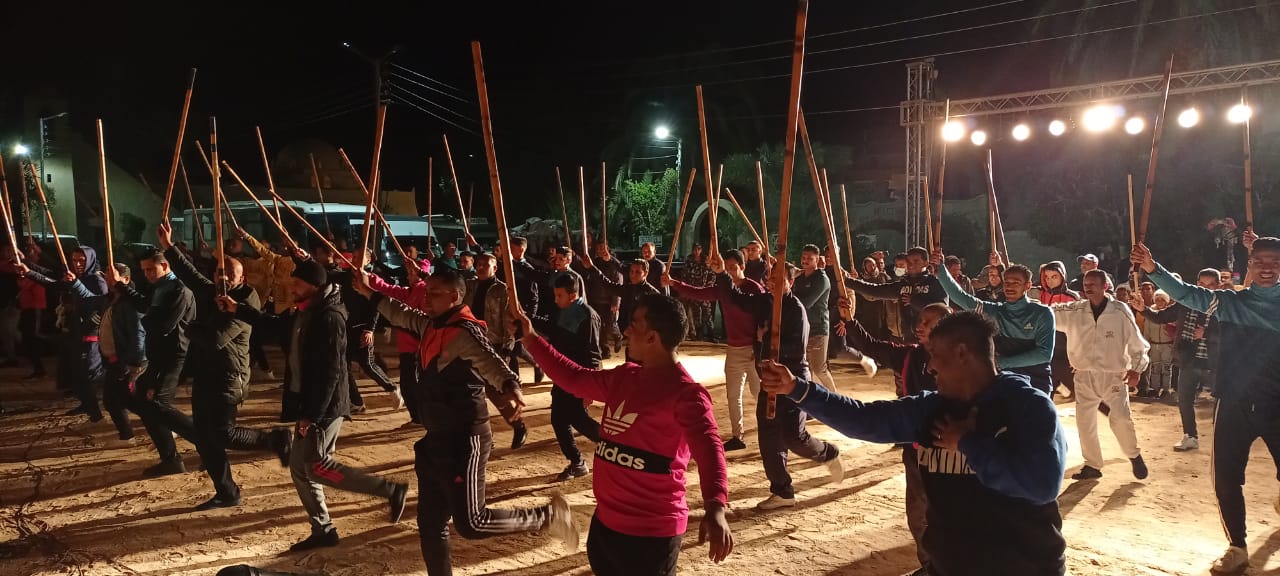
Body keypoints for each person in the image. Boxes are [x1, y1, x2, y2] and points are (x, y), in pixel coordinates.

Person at [761, 311, 1068, 575]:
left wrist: (968, 443)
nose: (930, 366)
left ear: (962, 353)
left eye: (934, 353)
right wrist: (796, 388)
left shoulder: (1027, 407)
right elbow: (865, 420)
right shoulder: (932, 408)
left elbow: (1042, 485)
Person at [353, 267, 577, 575]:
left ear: (455, 297)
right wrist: (369, 291)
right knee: (431, 525)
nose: (426, 299)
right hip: (436, 439)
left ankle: (548, 517)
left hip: (464, 440)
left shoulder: (464, 331)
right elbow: (399, 312)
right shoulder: (430, 324)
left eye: (434, 293)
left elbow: (491, 361)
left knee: (472, 523)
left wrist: (510, 386)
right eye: (427, 292)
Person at [519, 293, 732, 575]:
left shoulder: (687, 395)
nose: (626, 331)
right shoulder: (624, 377)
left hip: (651, 537)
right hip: (605, 526)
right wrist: (531, 339)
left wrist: (715, 506)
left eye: (634, 324)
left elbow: (710, 451)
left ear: (653, 338)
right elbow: (574, 378)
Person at [224, 259, 408, 551]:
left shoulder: (329, 318)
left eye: (297, 284)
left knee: (319, 468)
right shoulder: (307, 310)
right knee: (302, 468)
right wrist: (239, 309)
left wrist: (312, 416)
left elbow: (331, 373)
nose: (292, 289)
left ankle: (388, 490)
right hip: (313, 405)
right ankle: (323, 529)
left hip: (325, 408)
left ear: (315, 286)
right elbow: (276, 326)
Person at [1133, 236, 1280, 574]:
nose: (1267, 268)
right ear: (1249, 265)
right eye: (1260, 261)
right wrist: (1152, 268)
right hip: (1234, 403)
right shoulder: (1229, 303)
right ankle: (1237, 547)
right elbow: (1187, 294)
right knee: (1226, 479)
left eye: (1275, 262)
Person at [157, 223, 292, 510]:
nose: (225, 278)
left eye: (231, 274)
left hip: (229, 377)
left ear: (242, 277)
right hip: (205, 374)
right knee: (205, 438)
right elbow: (189, 274)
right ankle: (227, 492)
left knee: (223, 434)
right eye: (221, 273)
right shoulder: (212, 291)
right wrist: (168, 246)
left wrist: (189, 326)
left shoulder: (245, 301)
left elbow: (215, 339)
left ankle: (273, 439)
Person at [839, 301, 951, 573]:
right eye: (920, 320)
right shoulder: (910, 356)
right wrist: (850, 320)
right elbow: (872, 346)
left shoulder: (962, 358)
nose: (920, 326)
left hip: (953, 451)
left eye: (929, 322)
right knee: (917, 513)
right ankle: (930, 565)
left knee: (950, 512)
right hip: (917, 449)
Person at [726, 259, 844, 510]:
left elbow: (795, 350)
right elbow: (736, 299)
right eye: (770, 277)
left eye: (779, 279)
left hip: (792, 379)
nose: (772, 282)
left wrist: (765, 340)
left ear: (790, 282)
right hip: (769, 377)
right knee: (768, 435)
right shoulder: (765, 302)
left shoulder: (795, 309)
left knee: (794, 436)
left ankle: (827, 452)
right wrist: (721, 275)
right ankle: (782, 490)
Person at [1047, 270, 1149, 482]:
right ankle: (1093, 464)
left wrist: (1137, 369)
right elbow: (1048, 313)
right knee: (1085, 422)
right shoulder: (1075, 310)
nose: (1088, 287)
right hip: (1083, 374)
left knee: (1120, 418)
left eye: (1093, 283)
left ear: (1105, 286)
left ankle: (1133, 454)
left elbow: (1138, 344)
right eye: (1086, 283)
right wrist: (1023, 304)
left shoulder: (1119, 311)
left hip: (1114, 375)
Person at [664, 249, 759, 451]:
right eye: (727, 268)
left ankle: (770, 430)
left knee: (759, 392)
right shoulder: (723, 289)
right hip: (734, 349)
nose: (730, 272)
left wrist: (760, 347)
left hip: (754, 350)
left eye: (733, 267)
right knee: (733, 395)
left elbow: (764, 319)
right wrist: (674, 283)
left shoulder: (754, 288)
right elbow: (698, 293)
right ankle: (738, 435)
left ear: (742, 267)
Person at [933, 254, 1056, 394]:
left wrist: (1002, 362)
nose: (1009, 287)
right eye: (1007, 282)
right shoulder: (995, 311)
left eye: (1016, 283)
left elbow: (1044, 354)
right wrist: (941, 269)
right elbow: (961, 297)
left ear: (1027, 286)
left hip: (1036, 382)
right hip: (1005, 381)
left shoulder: (1042, 313)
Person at [124, 249, 198, 476]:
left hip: (174, 355)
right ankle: (170, 458)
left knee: (157, 404)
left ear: (165, 266)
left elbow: (163, 325)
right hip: (158, 355)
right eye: (144, 270)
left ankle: (205, 439)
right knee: (142, 398)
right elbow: (146, 307)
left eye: (151, 269)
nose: (147, 274)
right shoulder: (159, 287)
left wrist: (146, 320)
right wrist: (120, 286)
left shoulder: (179, 290)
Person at [1126, 269, 1216, 451]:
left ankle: (1222, 436)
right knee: (1184, 400)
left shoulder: (1224, 305)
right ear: (1197, 283)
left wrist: (1207, 333)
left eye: (1211, 285)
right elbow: (1162, 317)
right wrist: (1143, 309)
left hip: (1214, 362)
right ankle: (1190, 436)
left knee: (1221, 401)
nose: (1205, 288)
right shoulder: (1187, 301)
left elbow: (1233, 331)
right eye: (1202, 284)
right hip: (1189, 360)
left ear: (1218, 285)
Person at [19, 246, 108, 420]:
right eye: (74, 260)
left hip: (90, 334)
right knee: (77, 373)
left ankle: (106, 404)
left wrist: (75, 284)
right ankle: (89, 407)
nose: (78, 264)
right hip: (76, 331)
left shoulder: (98, 281)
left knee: (89, 374)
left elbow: (95, 302)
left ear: (90, 259)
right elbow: (53, 283)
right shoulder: (78, 278)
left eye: (82, 260)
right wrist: (29, 271)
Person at [532, 271, 602, 481]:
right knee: (559, 419)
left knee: (578, 419)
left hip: (579, 376)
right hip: (562, 375)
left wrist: (590, 388)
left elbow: (593, 354)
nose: (556, 300)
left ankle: (614, 447)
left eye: (559, 295)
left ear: (572, 295)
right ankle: (577, 461)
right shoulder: (562, 310)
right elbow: (551, 330)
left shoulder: (588, 316)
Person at [69, 262, 143, 441]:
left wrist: (134, 363)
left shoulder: (131, 303)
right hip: (113, 360)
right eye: (107, 277)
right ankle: (129, 434)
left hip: (125, 361)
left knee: (122, 401)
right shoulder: (108, 299)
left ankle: (157, 424)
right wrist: (74, 282)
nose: (109, 281)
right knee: (117, 401)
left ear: (126, 279)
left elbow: (138, 333)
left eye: (113, 277)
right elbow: (86, 295)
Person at [462, 252, 527, 448]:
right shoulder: (469, 286)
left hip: (494, 345)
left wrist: (507, 348)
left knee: (495, 392)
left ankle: (518, 425)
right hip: (470, 343)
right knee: (471, 394)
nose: (481, 267)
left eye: (486, 264)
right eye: (479, 264)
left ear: (495, 268)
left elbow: (510, 320)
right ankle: (483, 436)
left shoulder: (503, 290)